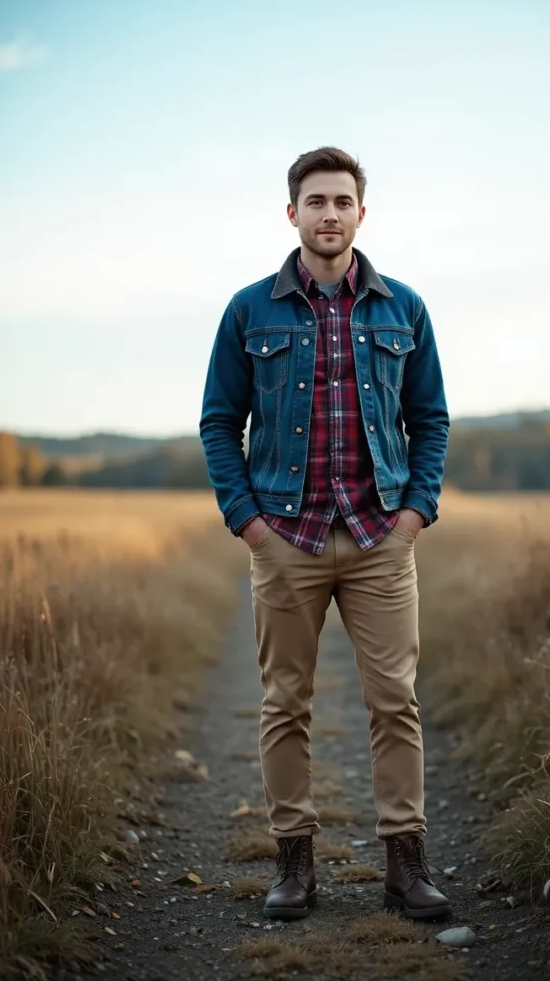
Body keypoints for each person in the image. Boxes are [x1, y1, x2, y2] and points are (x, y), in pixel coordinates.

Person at [200, 147, 451, 922]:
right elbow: (218, 423)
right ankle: (294, 866)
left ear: (360, 214)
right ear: (292, 214)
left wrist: (412, 517)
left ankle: (404, 867)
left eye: (343, 201)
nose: (330, 214)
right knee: (284, 705)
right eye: (316, 202)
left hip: (380, 536)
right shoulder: (249, 311)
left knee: (394, 704)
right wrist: (249, 526)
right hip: (286, 537)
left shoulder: (402, 308)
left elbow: (430, 421)